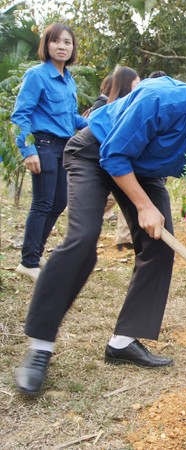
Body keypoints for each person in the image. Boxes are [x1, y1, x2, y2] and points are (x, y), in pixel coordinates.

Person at [13, 56, 186, 397]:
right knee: (83, 238)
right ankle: (40, 345)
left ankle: (122, 342)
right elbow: (114, 154)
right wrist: (144, 205)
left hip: (144, 171)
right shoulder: (161, 99)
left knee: (160, 247)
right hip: (97, 152)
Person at [11, 23, 87, 282]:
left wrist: (96, 122)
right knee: (43, 203)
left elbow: (70, 117)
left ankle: (35, 252)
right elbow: (21, 115)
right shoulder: (37, 75)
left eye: (68, 42)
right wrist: (27, 150)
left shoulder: (69, 79)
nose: (63, 46)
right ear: (46, 45)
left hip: (65, 147)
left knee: (59, 201)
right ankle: (28, 262)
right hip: (43, 145)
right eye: (57, 41)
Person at [95, 67, 141, 249]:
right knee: (109, 198)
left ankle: (125, 237)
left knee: (127, 198)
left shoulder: (135, 105)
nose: (139, 86)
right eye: (136, 82)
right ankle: (90, 216)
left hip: (124, 162)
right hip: (107, 161)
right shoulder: (106, 105)